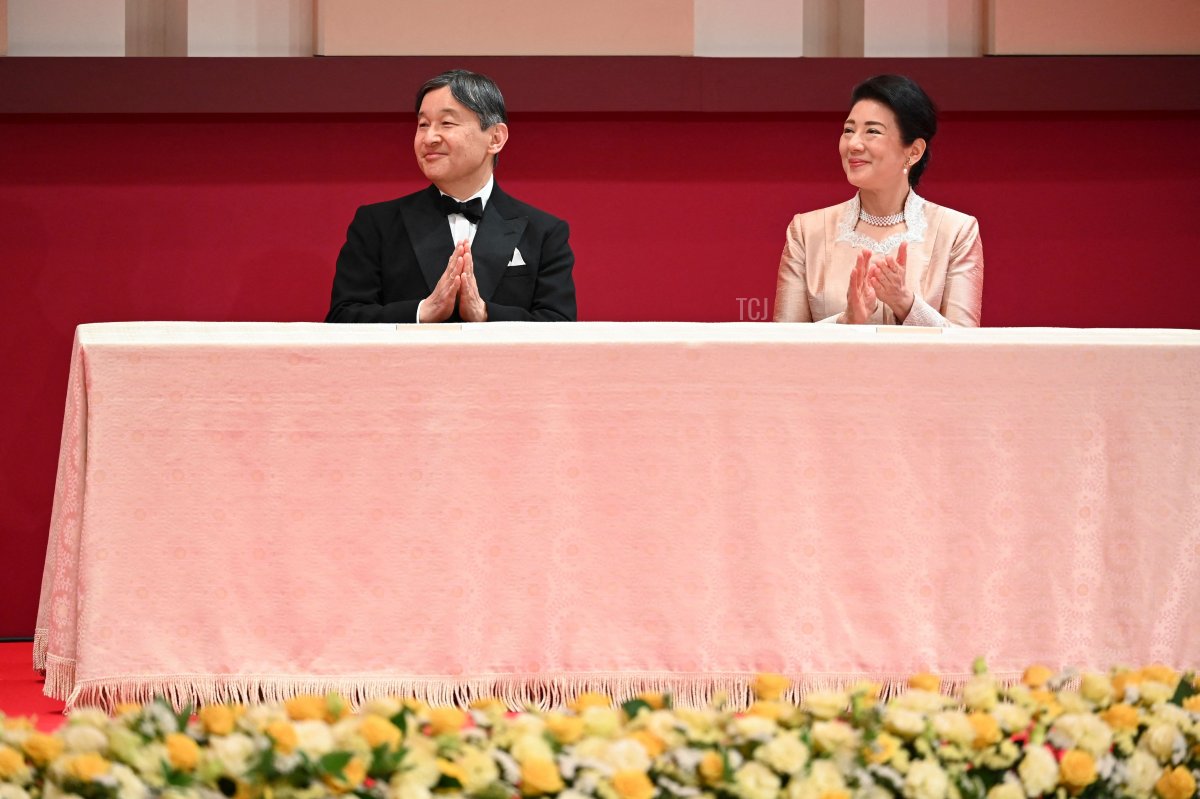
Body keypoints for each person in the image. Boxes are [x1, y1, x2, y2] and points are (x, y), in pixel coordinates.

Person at [326, 69, 577, 323]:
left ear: (495, 137)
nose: (429, 138)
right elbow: (342, 317)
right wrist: (422, 311)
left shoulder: (545, 232)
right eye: (423, 125)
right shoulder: (376, 225)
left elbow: (560, 325)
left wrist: (485, 314)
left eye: (446, 123)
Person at [773, 75, 983, 326]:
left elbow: (967, 346)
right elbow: (785, 343)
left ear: (914, 151)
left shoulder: (956, 231)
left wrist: (906, 304)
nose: (853, 144)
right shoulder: (807, 231)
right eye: (848, 130)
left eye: (872, 131)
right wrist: (846, 321)